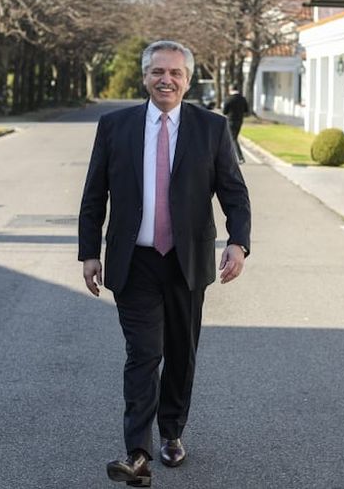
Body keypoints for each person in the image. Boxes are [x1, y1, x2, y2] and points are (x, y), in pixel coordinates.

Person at [78, 40, 252, 487]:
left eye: (175, 73)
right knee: (143, 353)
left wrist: (238, 243)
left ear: (188, 80)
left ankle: (172, 432)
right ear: (145, 76)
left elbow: (234, 192)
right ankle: (137, 451)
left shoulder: (211, 129)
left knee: (180, 353)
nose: (166, 80)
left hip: (186, 261)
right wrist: (89, 253)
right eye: (158, 71)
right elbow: (94, 194)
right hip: (133, 262)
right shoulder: (115, 126)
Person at [221, 84, 249, 163]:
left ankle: (240, 157)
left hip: (231, 120)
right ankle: (232, 157)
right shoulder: (242, 99)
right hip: (239, 120)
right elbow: (246, 110)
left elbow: (224, 111)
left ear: (230, 90)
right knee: (233, 138)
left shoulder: (229, 99)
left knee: (232, 139)